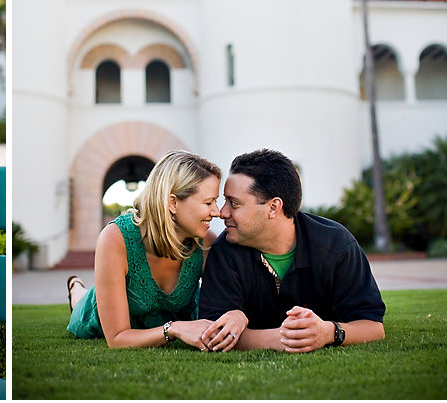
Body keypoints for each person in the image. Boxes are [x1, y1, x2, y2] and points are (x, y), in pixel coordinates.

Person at [198, 148, 386, 352]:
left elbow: (373, 326)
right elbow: (214, 332)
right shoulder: (224, 251)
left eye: (233, 203)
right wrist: (281, 339)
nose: (222, 212)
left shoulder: (335, 245)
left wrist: (328, 332)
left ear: (273, 207)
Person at [66, 150, 247, 351]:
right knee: (81, 301)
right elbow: (117, 339)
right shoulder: (115, 239)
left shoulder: (206, 244)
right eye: (208, 202)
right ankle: (76, 289)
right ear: (173, 203)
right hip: (97, 314)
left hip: (166, 323)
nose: (217, 212)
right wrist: (174, 329)